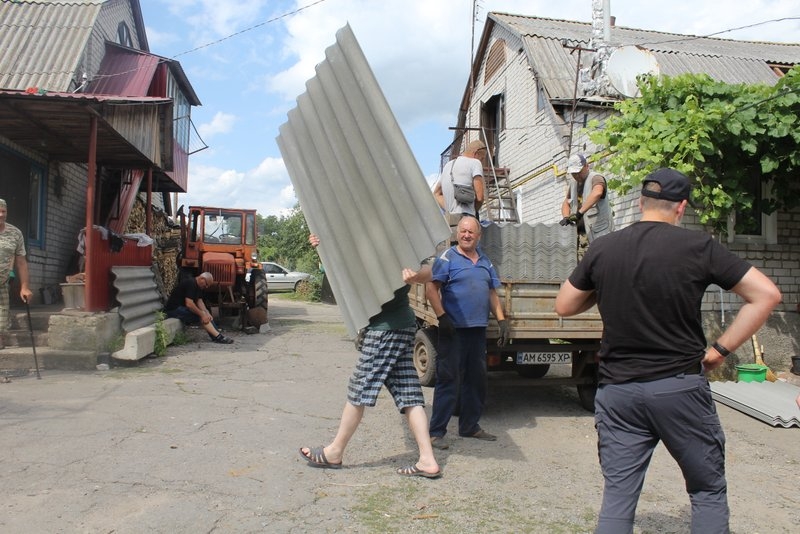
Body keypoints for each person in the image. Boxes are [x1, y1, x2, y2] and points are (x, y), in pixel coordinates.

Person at [555, 168, 782, 534]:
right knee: (706, 490)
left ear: (642, 201)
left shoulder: (604, 248)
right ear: (681, 207)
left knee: (618, 496)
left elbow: (564, 305)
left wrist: (606, 285)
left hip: (618, 391)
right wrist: (721, 349)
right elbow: (767, 295)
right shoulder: (698, 247)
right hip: (679, 389)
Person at [299, 235, 441, 478]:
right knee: (408, 392)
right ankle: (427, 459)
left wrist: (415, 275)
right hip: (398, 325)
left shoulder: (397, 238)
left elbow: (434, 269)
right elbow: (339, 272)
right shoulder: (360, 241)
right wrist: (321, 247)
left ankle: (334, 452)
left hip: (387, 327)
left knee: (360, 387)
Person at [426, 215, 509, 448]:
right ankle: (436, 432)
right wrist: (442, 318)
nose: (466, 235)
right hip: (454, 330)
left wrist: (501, 321)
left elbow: (491, 293)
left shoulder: (485, 261)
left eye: (471, 232)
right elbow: (431, 289)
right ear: (457, 234)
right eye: (462, 231)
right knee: (448, 379)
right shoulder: (447, 258)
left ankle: (470, 426)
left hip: (477, 331)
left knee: (476, 380)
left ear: (478, 236)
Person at [560, 153, 614, 249]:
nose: (576, 176)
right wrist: (566, 217)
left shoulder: (596, 178)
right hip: (582, 237)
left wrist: (579, 213)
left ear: (586, 166)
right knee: (583, 263)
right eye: (573, 173)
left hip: (600, 236)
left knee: (602, 263)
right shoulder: (573, 184)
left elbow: (597, 193)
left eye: (578, 172)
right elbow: (566, 202)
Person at [0, 198, 34, 350]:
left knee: (1, 323)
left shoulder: (15, 233)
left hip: (2, 284)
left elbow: (21, 262)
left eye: (4, 211)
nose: (1, 214)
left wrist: (25, 287)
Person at [164, 272, 234, 344]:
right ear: (202, 279)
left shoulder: (199, 286)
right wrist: (202, 314)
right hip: (174, 310)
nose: (206, 287)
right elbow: (189, 304)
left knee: (206, 315)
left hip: (182, 309)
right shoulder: (191, 283)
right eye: (206, 284)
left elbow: (199, 301)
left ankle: (216, 335)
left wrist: (207, 312)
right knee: (201, 316)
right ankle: (218, 337)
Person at [433, 140, 487, 218]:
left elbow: (436, 194)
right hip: (466, 218)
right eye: (482, 159)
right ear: (476, 154)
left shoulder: (448, 165)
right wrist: (473, 211)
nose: (481, 162)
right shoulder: (475, 163)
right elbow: (480, 197)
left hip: (450, 220)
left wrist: (449, 208)